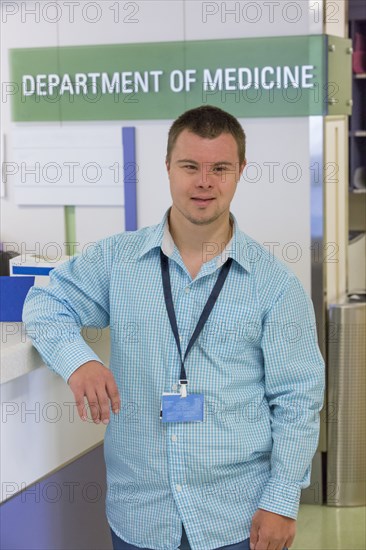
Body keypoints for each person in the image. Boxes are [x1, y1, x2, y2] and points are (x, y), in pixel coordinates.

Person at [23, 105, 325, 550]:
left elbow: (298, 399)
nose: (204, 181)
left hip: (236, 518)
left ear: (240, 171)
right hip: (140, 515)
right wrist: (78, 361)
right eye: (190, 166)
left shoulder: (274, 284)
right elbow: (45, 301)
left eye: (220, 168)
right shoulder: (115, 261)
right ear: (168, 168)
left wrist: (281, 501)